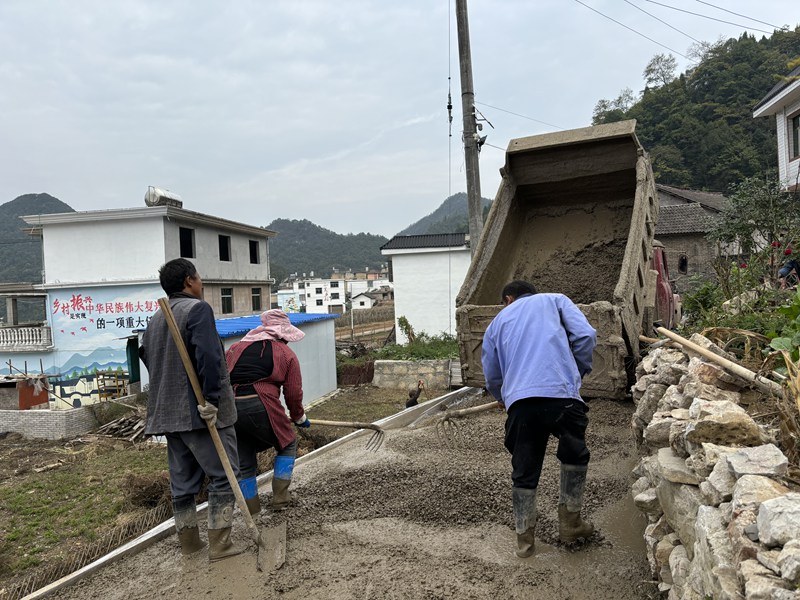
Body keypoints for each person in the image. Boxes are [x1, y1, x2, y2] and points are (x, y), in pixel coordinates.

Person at [481, 280, 597, 558]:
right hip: (563, 396)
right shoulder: (556, 299)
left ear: (508, 299)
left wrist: (502, 396)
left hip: (522, 403)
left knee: (525, 467)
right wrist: (576, 372)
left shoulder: (497, 322)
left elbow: (492, 372)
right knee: (574, 454)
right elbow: (585, 337)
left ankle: (525, 542)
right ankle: (570, 525)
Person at [139, 258, 242, 561]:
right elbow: (210, 358)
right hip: (200, 413)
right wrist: (211, 400)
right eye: (198, 278)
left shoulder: (157, 318)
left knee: (182, 483)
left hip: (169, 416)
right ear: (188, 281)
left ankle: (189, 543)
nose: (201, 283)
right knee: (224, 475)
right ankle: (220, 544)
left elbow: (146, 356)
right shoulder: (197, 310)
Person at [226, 309, 310, 515]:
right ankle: (280, 498)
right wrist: (299, 417)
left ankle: (252, 510)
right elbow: (293, 393)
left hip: (230, 409)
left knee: (245, 461)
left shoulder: (234, 349)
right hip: (261, 404)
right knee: (287, 443)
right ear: (282, 334)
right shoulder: (285, 354)